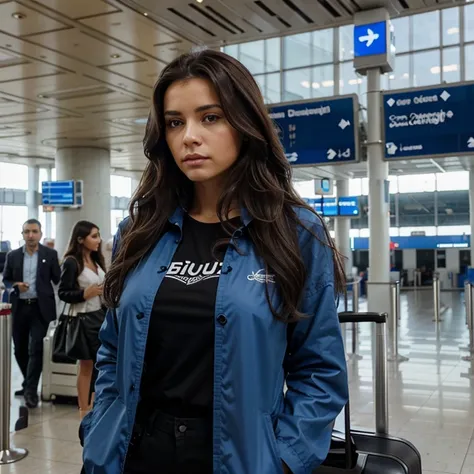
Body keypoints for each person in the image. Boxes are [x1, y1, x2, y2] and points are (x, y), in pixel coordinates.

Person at [81, 49, 348, 474]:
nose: (189, 136)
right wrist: (97, 431)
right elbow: (113, 349)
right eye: (174, 122)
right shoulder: (140, 230)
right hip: (132, 453)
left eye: (210, 117)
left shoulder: (295, 233)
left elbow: (319, 369)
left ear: (245, 124)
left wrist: (283, 460)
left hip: (238, 457)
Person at [2, 219, 60, 408]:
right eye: (27, 232)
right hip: (19, 306)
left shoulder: (50, 254)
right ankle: (29, 381)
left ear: (40, 234)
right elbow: (7, 279)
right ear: (22, 234)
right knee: (18, 349)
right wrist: (15, 285)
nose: (30, 235)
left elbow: (57, 278)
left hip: (40, 307)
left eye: (34, 231)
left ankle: (30, 391)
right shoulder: (13, 256)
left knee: (35, 348)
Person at [58, 221, 106, 419]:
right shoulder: (71, 262)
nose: (98, 240)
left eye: (98, 235)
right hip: (82, 319)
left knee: (100, 363)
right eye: (94, 236)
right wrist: (84, 293)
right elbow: (63, 292)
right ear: (80, 239)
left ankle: (95, 403)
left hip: (99, 316)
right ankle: (83, 408)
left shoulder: (97, 260)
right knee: (86, 364)